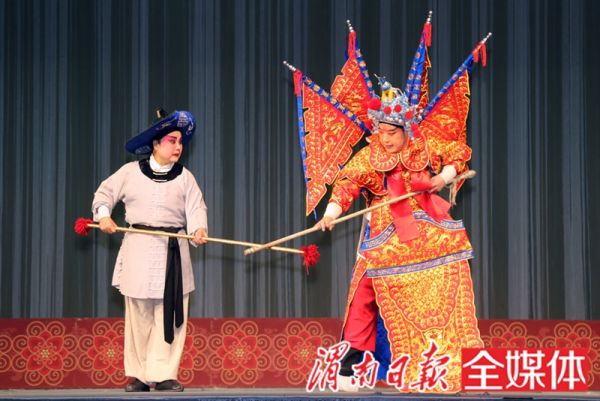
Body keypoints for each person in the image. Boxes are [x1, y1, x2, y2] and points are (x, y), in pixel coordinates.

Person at [315, 84, 483, 393]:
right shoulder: (370, 156)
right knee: (362, 295)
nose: (386, 139)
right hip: (384, 233)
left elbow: (457, 153)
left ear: (406, 129)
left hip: (426, 229)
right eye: (381, 132)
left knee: (444, 284)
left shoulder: (423, 146)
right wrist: (331, 213)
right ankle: (350, 366)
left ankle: (445, 361)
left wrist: (442, 178)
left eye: (392, 133)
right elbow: (347, 184)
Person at [91, 109, 208, 392]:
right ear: (156, 143)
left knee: (171, 315)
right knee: (139, 315)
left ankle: (165, 374)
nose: (178, 147)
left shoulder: (185, 177)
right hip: (139, 249)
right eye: (171, 141)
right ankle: (140, 376)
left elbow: (196, 209)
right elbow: (103, 195)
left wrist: (198, 230)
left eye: (180, 142)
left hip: (173, 251)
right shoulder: (130, 172)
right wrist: (104, 216)